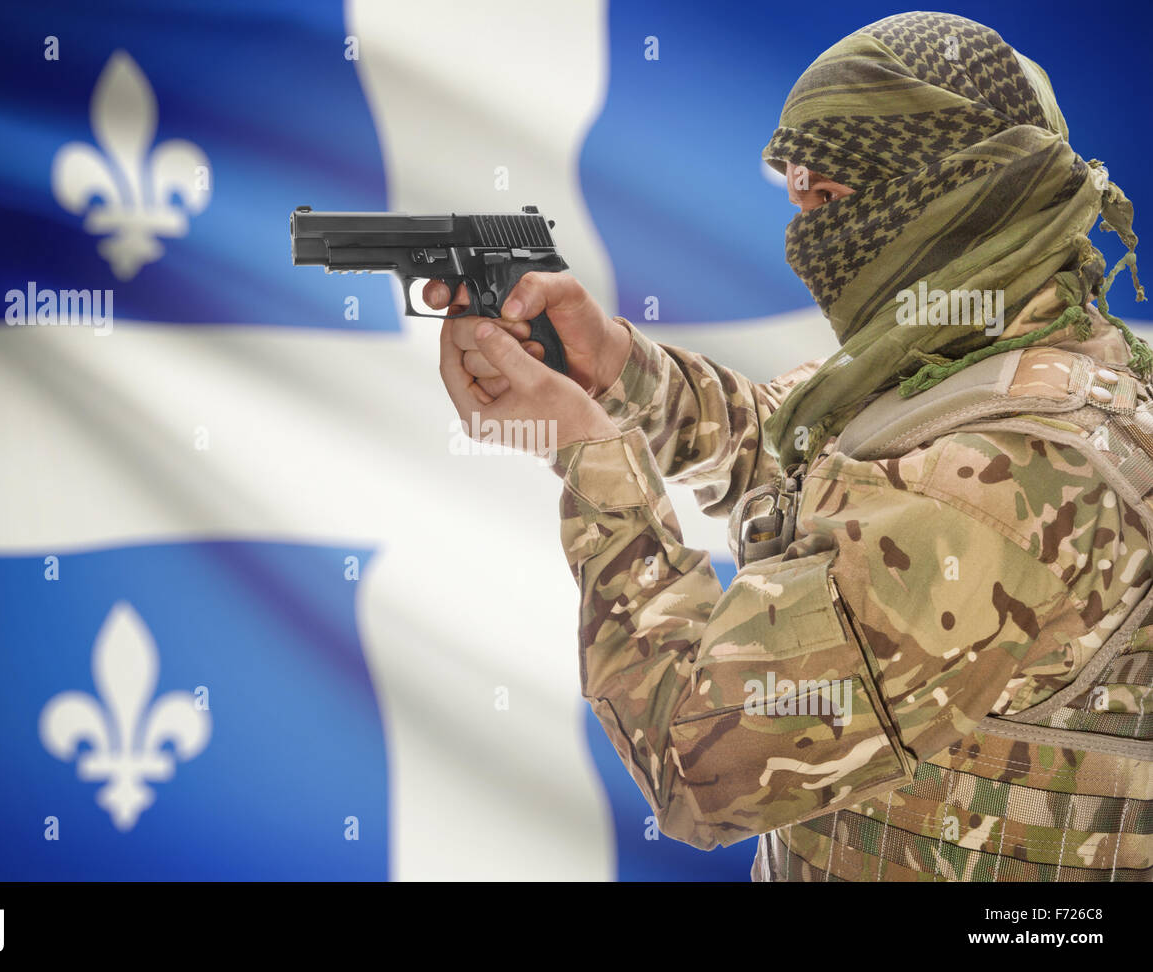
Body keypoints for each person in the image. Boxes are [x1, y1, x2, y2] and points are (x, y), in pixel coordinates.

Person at [431, 11, 1151, 881]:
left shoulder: (1012, 481)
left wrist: (591, 456)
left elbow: (701, 765)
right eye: (796, 196)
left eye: (827, 199)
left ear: (946, 190)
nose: (802, 232)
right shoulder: (992, 357)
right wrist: (617, 365)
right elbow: (795, 455)